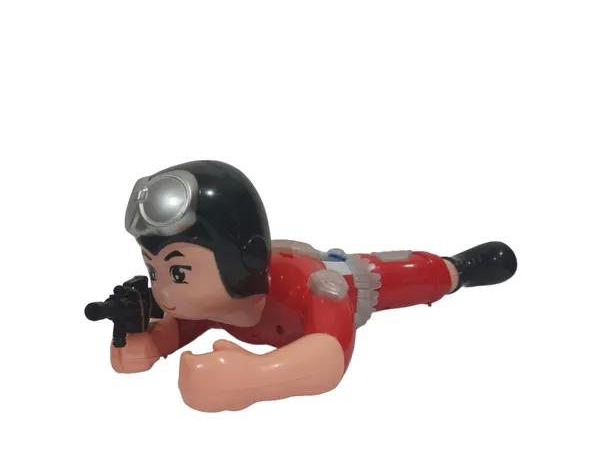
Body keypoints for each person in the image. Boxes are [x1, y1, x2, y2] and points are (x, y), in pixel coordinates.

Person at [97, 160, 517, 412]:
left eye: (179, 273)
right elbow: (180, 325)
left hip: (345, 275)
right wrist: (146, 343)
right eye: (154, 271)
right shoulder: (206, 305)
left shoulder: (311, 288)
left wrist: (252, 377)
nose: (163, 292)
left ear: (241, 261)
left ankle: (459, 269)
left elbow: (328, 356)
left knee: (403, 274)